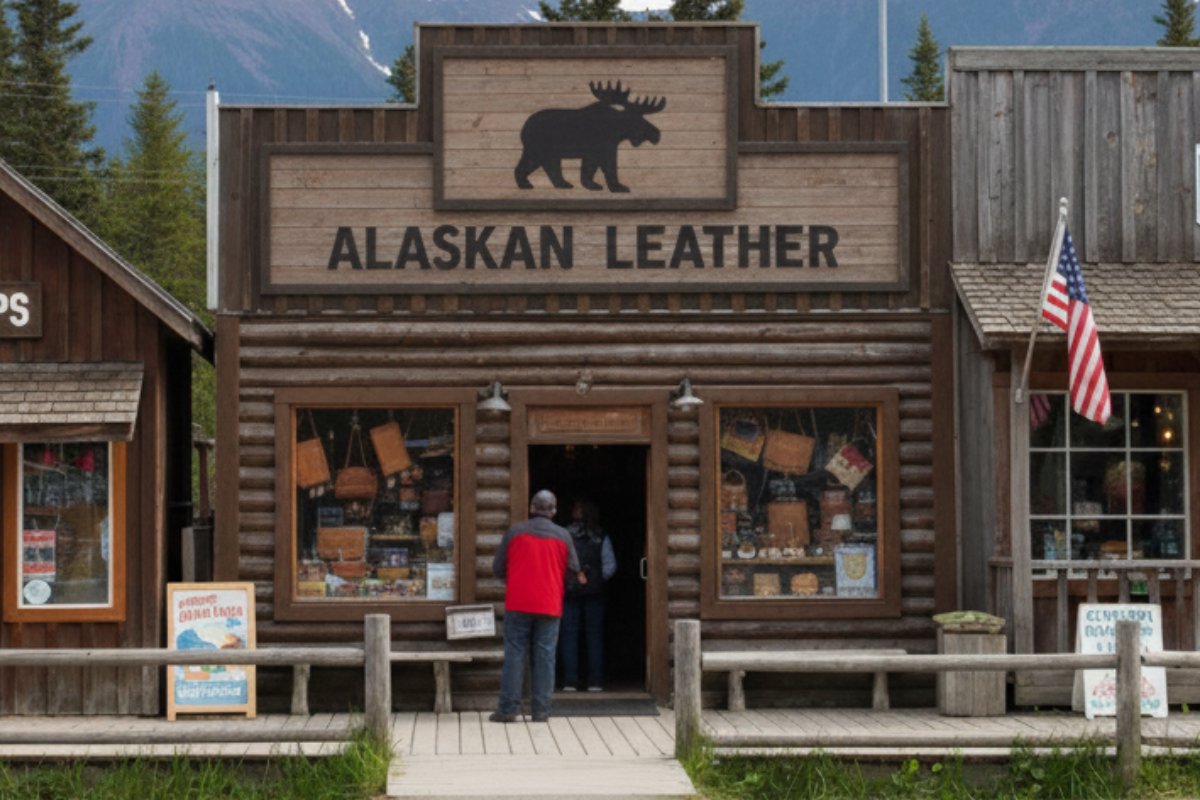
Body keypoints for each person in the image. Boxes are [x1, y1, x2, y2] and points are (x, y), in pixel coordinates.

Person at [490, 489, 584, 723]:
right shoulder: (563, 535)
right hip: (550, 604)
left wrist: (516, 579)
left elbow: (497, 568)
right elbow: (574, 569)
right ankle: (541, 711)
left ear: (532, 507)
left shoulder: (514, 532)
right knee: (545, 657)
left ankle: (508, 709)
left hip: (517, 602)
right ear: (554, 510)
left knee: (514, 654)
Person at [560, 500, 617, 692]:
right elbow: (610, 566)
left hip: (569, 591)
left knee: (569, 634)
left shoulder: (564, 534)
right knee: (594, 635)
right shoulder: (601, 535)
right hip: (595, 592)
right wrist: (596, 580)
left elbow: (559, 563)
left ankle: (570, 681)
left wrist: (567, 580)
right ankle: (595, 681)